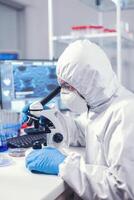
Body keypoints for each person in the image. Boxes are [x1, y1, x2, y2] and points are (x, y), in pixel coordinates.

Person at [25, 40, 134, 199]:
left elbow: (122, 190)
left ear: (88, 84)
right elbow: (82, 131)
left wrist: (64, 165)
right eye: (61, 86)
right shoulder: (100, 106)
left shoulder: (126, 114)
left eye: (68, 87)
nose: (63, 93)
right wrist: (50, 117)